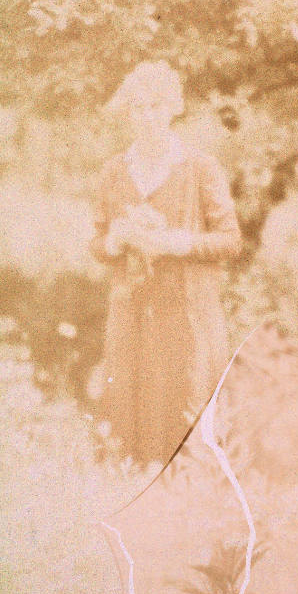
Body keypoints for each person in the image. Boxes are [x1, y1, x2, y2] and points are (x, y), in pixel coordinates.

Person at [89, 60, 242, 465]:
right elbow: (98, 243)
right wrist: (114, 239)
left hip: (185, 311)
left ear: (174, 108)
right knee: (129, 413)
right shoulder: (114, 172)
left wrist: (180, 243)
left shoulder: (198, 167)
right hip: (132, 313)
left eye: (156, 107)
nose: (147, 117)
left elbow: (231, 240)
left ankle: (187, 502)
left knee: (181, 412)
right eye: (138, 108)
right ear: (129, 113)